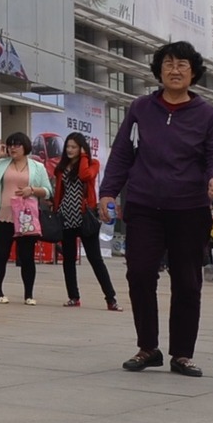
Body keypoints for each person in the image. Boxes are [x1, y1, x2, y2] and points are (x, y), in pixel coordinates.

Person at [97, 40, 213, 378]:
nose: (174, 69)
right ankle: (148, 348)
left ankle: (182, 354)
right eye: (168, 64)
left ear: (193, 72)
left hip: (190, 208)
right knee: (139, 273)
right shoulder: (141, 109)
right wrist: (108, 192)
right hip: (144, 206)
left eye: (182, 64)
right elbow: (123, 154)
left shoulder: (207, 115)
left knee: (187, 281)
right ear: (158, 71)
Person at [0, 132, 52, 305]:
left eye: (16, 145)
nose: (12, 148)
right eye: (10, 145)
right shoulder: (2, 164)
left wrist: (31, 190)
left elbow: (48, 190)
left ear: (25, 147)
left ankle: (29, 294)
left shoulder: (37, 167)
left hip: (26, 218)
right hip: (4, 216)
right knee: (1, 253)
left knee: (27, 256)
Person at [54, 131, 119, 310]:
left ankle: (110, 298)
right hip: (66, 216)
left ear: (82, 148)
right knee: (68, 259)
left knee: (95, 258)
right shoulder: (62, 167)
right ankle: (73, 297)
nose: (70, 150)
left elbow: (85, 176)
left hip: (85, 217)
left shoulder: (92, 164)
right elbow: (60, 191)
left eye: (74, 147)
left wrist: (83, 156)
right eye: (68, 146)